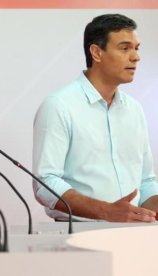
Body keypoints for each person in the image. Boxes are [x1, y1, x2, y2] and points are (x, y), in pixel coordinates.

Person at [33, 14, 158, 222]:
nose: (136, 57)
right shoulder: (59, 105)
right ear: (97, 52)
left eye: (137, 48)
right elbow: (46, 183)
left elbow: (146, 181)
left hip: (134, 234)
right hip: (78, 236)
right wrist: (107, 211)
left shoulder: (134, 110)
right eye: (125, 48)